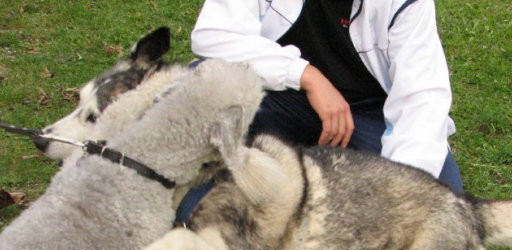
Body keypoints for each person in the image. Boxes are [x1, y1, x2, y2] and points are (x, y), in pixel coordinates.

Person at [190, 0, 463, 192]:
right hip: (286, 98)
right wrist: (305, 75)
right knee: (204, 90)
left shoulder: (408, 3)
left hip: (370, 116)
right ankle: (199, 221)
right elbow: (213, 35)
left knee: (437, 192)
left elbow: (422, 101)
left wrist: (396, 192)